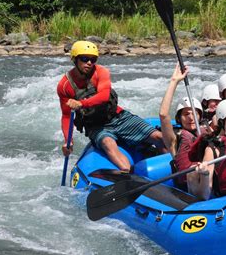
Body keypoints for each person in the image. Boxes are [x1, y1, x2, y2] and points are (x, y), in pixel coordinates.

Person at [57, 41, 165, 172]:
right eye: (84, 59)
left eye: (93, 59)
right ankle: (132, 176)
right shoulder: (65, 85)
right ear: (74, 59)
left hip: (118, 117)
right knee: (109, 145)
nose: (89, 63)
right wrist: (68, 141)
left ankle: (175, 171)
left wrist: (81, 103)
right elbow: (67, 116)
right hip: (95, 126)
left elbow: (104, 95)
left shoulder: (101, 72)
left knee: (160, 138)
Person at [159, 64, 205, 190]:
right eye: (186, 114)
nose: (191, 117)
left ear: (200, 116)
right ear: (179, 118)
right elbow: (163, 115)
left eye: (194, 113)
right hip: (187, 190)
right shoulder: (174, 141)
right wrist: (174, 81)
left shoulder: (208, 133)